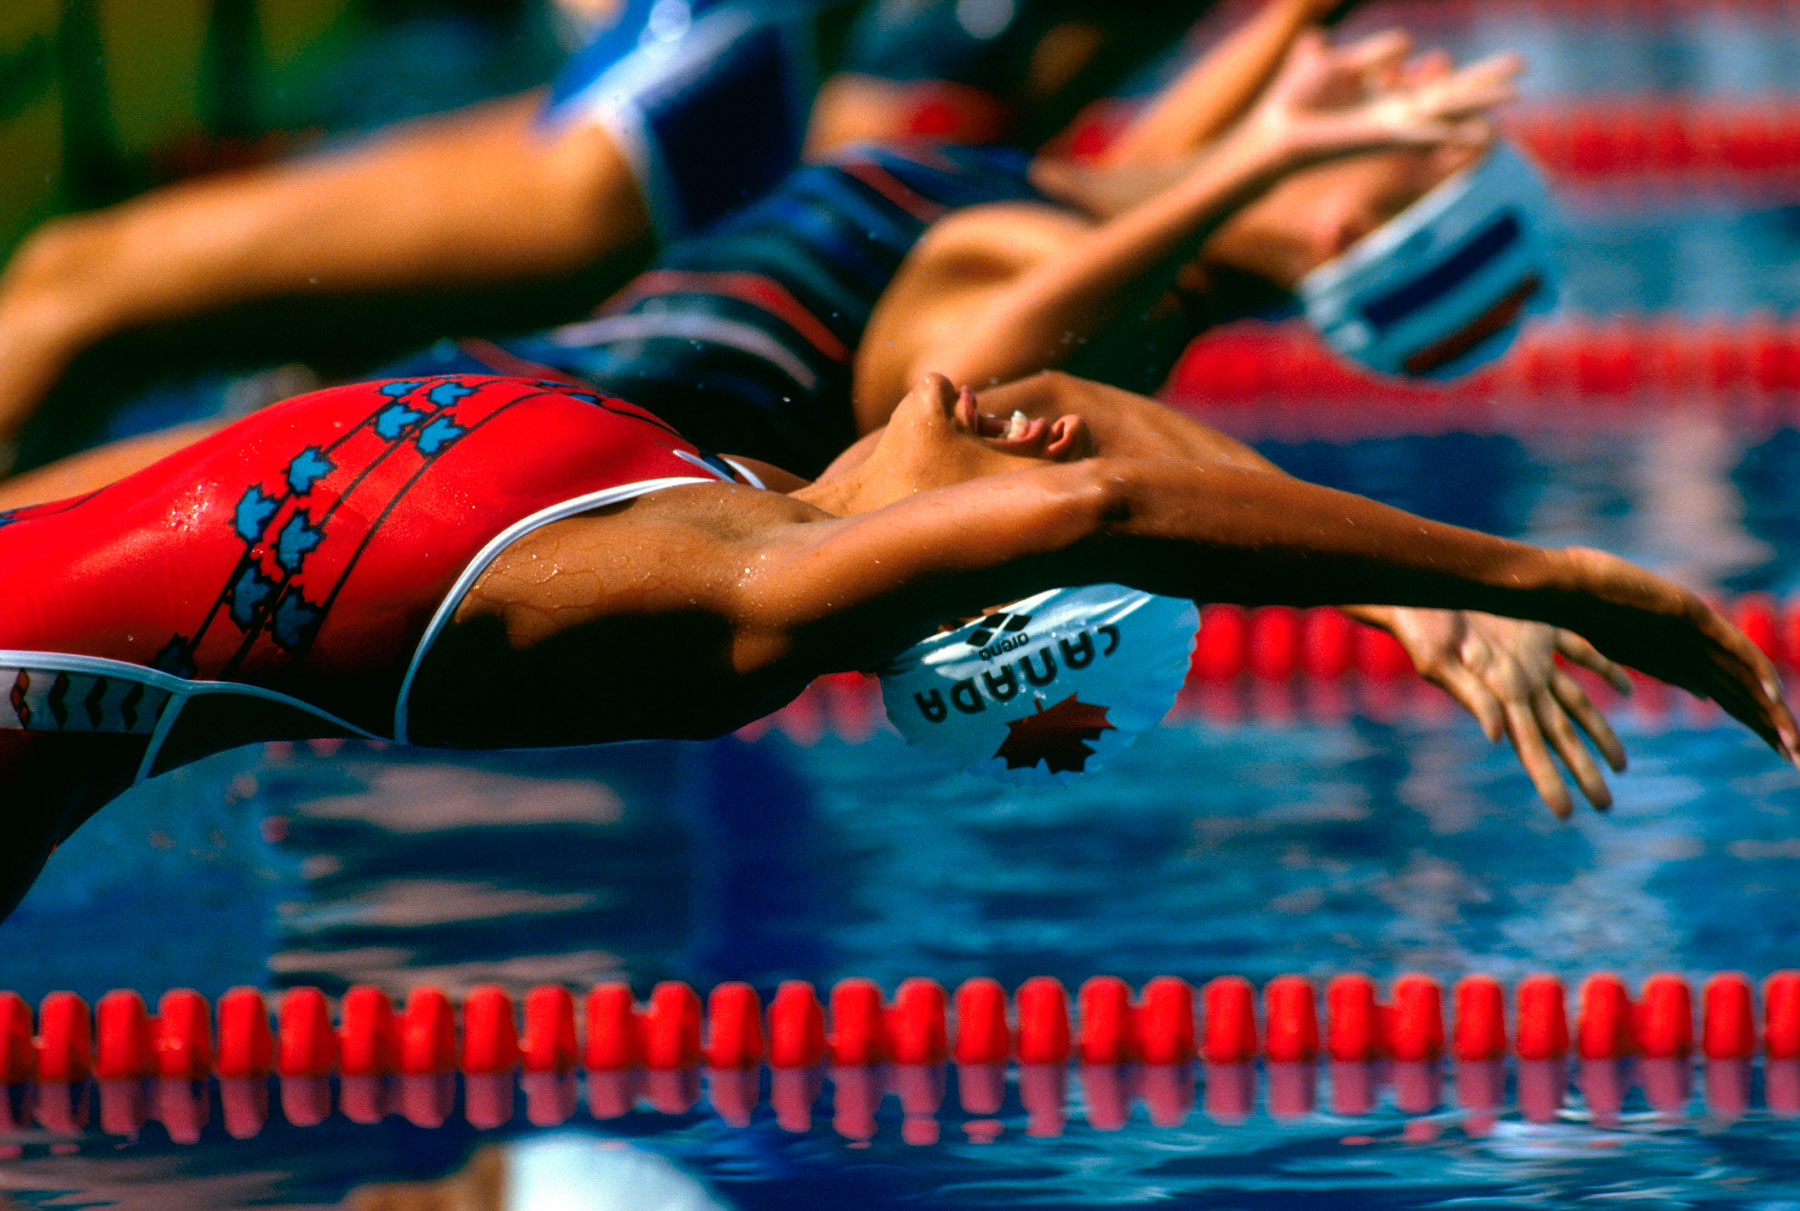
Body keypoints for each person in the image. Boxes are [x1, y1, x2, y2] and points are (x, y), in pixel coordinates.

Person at [0, 367, 1793, 930]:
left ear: (963, 594)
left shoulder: (742, 608)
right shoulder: (746, 490)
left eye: (1020, 470)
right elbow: (1095, 447)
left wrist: (1568, 578)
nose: (1029, 425)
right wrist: (1400, 598)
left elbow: (1103, 518)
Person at [0, 0, 1320, 462]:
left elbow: (920, 147)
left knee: (73, 294)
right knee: (91, 307)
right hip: (654, 100)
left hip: (638, 154)